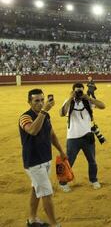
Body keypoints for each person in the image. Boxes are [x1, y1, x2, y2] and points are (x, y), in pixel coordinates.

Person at [19, 89, 66, 227]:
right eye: (36, 101)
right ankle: (54, 224)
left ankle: (32, 219)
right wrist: (44, 112)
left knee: (36, 189)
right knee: (46, 193)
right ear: (29, 102)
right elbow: (32, 130)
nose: (40, 103)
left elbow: (51, 134)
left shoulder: (46, 116)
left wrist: (61, 151)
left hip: (45, 158)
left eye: (42, 100)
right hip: (33, 162)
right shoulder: (25, 117)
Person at [59, 83, 106, 192]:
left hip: (87, 136)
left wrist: (89, 98)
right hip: (73, 137)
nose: (79, 93)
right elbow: (62, 113)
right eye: (77, 91)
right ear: (73, 91)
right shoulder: (68, 101)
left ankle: (93, 180)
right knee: (69, 161)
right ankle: (63, 182)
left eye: (80, 91)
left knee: (92, 161)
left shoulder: (87, 101)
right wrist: (71, 98)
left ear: (83, 91)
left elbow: (103, 106)